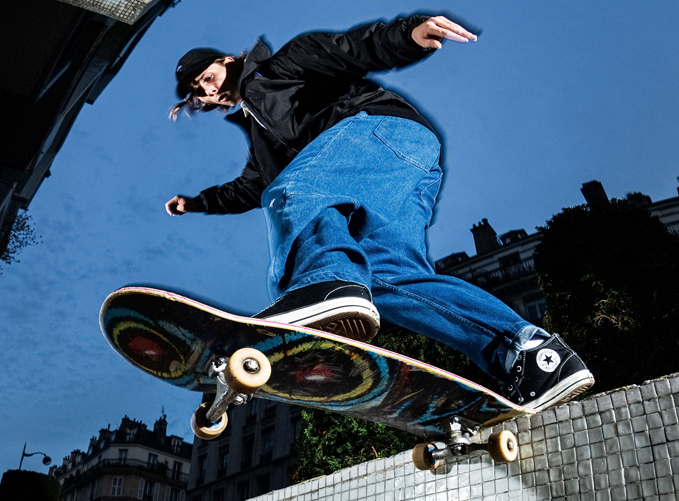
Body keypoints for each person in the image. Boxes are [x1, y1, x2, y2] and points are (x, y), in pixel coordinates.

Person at [165, 14, 594, 411]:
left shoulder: (282, 66)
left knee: (292, 192)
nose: (209, 92)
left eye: (209, 78)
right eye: (199, 92)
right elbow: (249, 186)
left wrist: (407, 34)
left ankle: (325, 284)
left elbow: (351, 49)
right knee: (388, 279)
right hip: (407, 168)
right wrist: (197, 202)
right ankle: (531, 354)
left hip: (380, 133)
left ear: (228, 62)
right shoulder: (261, 141)